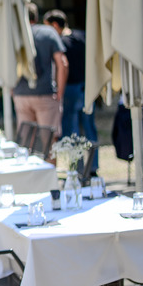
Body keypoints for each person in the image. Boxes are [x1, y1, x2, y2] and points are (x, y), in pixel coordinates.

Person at [43, 9, 99, 173]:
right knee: (90, 129)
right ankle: (93, 167)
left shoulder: (60, 43)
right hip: (87, 87)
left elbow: (61, 67)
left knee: (71, 131)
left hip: (70, 89)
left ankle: (77, 168)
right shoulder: (83, 36)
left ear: (55, 25)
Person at [12, 3, 67, 152]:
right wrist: (60, 93)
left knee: (26, 143)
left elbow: (8, 64)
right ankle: (50, 175)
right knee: (48, 143)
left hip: (21, 94)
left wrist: (13, 90)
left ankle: (30, 174)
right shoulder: (48, 33)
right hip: (45, 94)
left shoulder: (14, 35)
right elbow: (62, 63)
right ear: (36, 17)